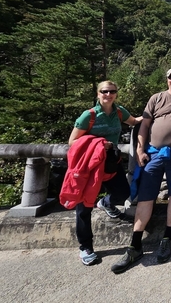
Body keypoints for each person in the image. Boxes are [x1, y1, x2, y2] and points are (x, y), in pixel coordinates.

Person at [111, 66, 171, 274]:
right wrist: (141, 149)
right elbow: (144, 125)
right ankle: (135, 245)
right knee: (146, 196)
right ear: (167, 80)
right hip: (153, 153)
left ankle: (167, 238)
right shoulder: (156, 98)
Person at [68, 81, 142, 266]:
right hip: (89, 165)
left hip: (110, 162)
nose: (108, 94)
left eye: (112, 91)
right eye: (104, 91)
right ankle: (86, 247)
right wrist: (99, 143)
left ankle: (105, 203)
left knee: (123, 193)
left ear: (116, 94)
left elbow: (134, 121)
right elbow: (73, 141)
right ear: (98, 93)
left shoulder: (119, 112)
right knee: (84, 207)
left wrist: (156, 115)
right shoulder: (89, 115)